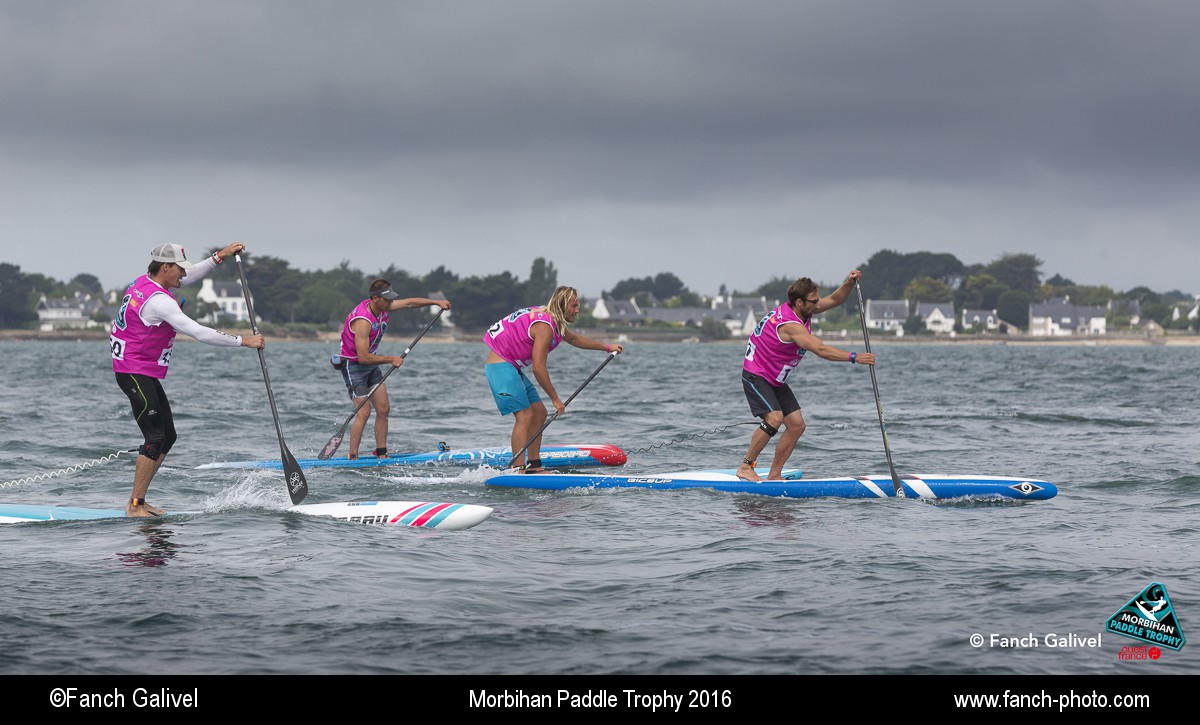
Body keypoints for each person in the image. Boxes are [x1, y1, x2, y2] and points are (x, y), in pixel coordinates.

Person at [111, 242, 265, 517]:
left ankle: (140, 501)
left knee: (168, 436)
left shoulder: (144, 282)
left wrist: (219, 257)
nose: (184, 275)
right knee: (155, 437)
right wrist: (245, 341)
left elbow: (187, 277)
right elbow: (199, 333)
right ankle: (135, 506)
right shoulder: (159, 302)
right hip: (133, 371)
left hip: (138, 369)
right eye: (180, 269)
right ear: (165, 267)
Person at [736, 270, 876, 482]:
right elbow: (820, 350)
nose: (818, 304)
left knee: (796, 425)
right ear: (799, 302)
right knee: (775, 418)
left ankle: (774, 474)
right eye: (814, 300)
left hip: (775, 378)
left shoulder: (805, 309)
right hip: (756, 375)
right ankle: (746, 467)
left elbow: (836, 299)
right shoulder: (791, 326)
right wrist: (854, 357)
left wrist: (848, 282)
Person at [484, 286, 623, 473]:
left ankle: (534, 466)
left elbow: (574, 339)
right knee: (524, 415)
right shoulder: (545, 326)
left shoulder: (555, 321)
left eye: (578, 305)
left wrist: (607, 347)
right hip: (500, 367)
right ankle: (518, 470)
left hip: (511, 367)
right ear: (562, 305)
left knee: (539, 413)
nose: (577, 310)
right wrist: (555, 399)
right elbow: (538, 367)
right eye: (574, 306)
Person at [336, 279, 452, 459]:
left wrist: (436, 302)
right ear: (375, 299)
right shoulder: (363, 320)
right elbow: (363, 357)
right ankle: (353, 456)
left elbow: (409, 303)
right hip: (354, 366)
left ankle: (381, 453)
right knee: (364, 412)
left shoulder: (383, 306)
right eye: (387, 300)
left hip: (372, 364)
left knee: (383, 409)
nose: (390, 303)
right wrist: (391, 359)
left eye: (391, 299)